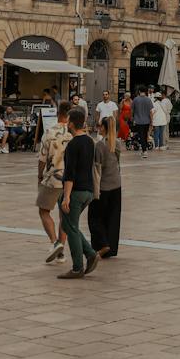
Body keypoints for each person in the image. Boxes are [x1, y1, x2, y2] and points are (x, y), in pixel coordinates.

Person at [57, 107, 99, 279]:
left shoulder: (73, 144)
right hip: (88, 191)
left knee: (71, 227)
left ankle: (77, 267)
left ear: (72, 124)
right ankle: (90, 254)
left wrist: (66, 196)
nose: (66, 124)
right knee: (69, 225)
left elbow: (70, 173)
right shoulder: (90, 141)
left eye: (68, 122)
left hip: (76, 191)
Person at [36, 102, 72, 266]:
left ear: (58, 113)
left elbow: (42, 158)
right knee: (64, 215)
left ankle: (54, 242)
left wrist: (39, 175)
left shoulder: (50, 132)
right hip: (69, 180)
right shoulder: (73, 133)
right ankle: (61, 252)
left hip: (52, 178)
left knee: (44, 211)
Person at [89, 115, 125, 259]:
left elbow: (97, 168)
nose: (98, 128)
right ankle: (111, 247)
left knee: (95, 217)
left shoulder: (100, 145)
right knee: (113, 217)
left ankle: (102, 244)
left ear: (103, 127)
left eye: (99, 126)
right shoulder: (116, 143)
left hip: (103, 186)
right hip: (116, 184)